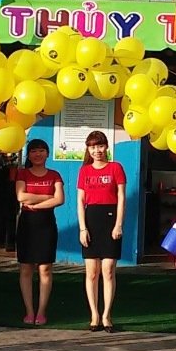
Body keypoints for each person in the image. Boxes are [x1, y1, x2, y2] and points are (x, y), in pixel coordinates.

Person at [76, 130, 126, 333]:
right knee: (92, 272)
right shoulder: (85, 171)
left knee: (108, 270)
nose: (97, 150)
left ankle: (106, 315)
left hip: (110, 219)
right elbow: (80, 201)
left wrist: (118, 224)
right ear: (88, 149)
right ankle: (94, 315)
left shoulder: (116, 168)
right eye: (92, 147)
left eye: (100, 146)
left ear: (106, 147)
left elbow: (121, 197)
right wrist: (82, 228)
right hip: (90, 220)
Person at [15, 139, 64, 326]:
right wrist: (47, 197)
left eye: (41, 150)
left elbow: (59, 199)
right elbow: (21, 196)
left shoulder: (54, 175)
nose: (38, 154)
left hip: (47, 224)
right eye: (34, 151)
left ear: (47, 153)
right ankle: (29, 311)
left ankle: (41, 311)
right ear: (29, 154)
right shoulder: (23, 174)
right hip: (27, 223)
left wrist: (36, 204)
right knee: (26, 268)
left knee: (45, 268)